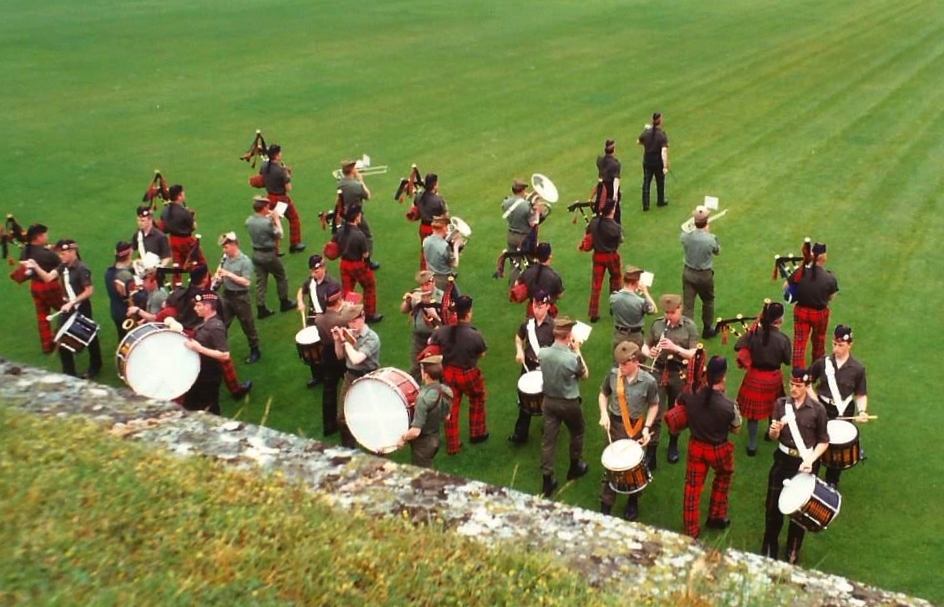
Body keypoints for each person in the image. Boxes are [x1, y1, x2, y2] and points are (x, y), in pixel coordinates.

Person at [761, 367, 829, 565]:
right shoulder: (781, 405)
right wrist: (774, 431)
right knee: (773, 507)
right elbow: (774, 437)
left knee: (800, 511)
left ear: (808, 386)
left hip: (805, 463)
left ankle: (793, 547)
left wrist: (810, 460)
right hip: (782, 459)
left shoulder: (818, 410)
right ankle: (769, 545)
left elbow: (824, 441)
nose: (793, 388)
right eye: (792, 384)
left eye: (798, 386)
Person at [157, 264, 252, 400]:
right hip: (200, 335)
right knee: (224, 360)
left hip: (179, 335)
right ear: (205, 278)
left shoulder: (179, 292)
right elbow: (219, 318)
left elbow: (165, 306)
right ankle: (236, 389)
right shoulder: (210, 299)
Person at [679, 356, 742, 539]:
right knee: (724, 476)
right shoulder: (729, 406)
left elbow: (678, 405)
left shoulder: (690, 396)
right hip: (718, 450)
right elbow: (737, 428)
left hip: (696, 447)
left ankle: (691, 531)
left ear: (706, 375)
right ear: (723, 377)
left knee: (692, 488)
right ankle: (715, 516)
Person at [598, 341, 659, 520]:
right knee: (612, 467)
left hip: (637, 428)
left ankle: (633, 501)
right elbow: (603, 394)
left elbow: (654, 405)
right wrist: (604, 413)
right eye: (619, 363)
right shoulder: (613, 375)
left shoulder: (649, 381)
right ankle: (606, 506)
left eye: (624, 364)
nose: (620, 367)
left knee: (635, 468)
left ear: (635, 361)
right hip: (615, 426)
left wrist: (647, 428)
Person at [25, 239, 103, 379]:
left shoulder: (81, 268)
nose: (60, 256)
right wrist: (36, 266)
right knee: (61, 338)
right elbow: (48, 278)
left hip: (81, 307)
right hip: (68, 308)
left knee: (89, 336)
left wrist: (73, 302)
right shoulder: (63, 266)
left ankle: (95, 365)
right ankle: (69, 373)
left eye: (63, 253)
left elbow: (89, 291)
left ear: (73, 252)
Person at [641, 294, 699, 468]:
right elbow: (645, 344)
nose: (669, 316)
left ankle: (673, 443)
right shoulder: (658, 324)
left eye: (672, 312)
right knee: (655, 410)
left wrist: (675, 348)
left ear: (680, 309)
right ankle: (651, 451)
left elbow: (694, 353)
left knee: (676, 411)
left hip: (678, 373)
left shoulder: (689, 327)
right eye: (666, 313)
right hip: (658, 370)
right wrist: (648, 352)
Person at [808, 324, 869, 488]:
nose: (836, 349)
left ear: (850, 344)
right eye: (834, 344)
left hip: (844, 410)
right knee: (816, 442)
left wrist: (862, 411)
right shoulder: (822, 363)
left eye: (840, 345)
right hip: (822, 407)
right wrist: (815, 402)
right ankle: (810, 475)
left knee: (838, 446)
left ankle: (832, 481)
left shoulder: (858, 369)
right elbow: (806, 383)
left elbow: (861, 394)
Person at [430, 295, 488, 455]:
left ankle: (452, 445)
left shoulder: (442, 331)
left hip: (449, 373)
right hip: (468, 374)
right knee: (477, 398)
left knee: (451, 408)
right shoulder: (474, 335)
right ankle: (477, 433)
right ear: (468, 313)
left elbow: (433, 344)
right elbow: (482, 353)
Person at [539, 316, 590, 497]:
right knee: (577, 432)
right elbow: (584, 375)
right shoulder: (571, 359)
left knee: (549, 440)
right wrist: (577, 351)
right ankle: (574, 467)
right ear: (569, 336)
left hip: (548, 401)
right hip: (569, 403)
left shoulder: (542, 353)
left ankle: (547, 480)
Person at [734, 301, 792, 457]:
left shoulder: (753, 334)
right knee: (773, 407)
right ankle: (769, 432)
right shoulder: (783, 339)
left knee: (753, 414)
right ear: (780, 319)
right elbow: (787, 360)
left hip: (754, 376)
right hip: (773, 377)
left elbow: (738, 346)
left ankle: (751, 445)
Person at [508, 290, 556, 444]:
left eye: (540, 306)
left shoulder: (554, 326)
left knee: (550, 399)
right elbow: (518, 337)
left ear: (548, 306)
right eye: (535, 305)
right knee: (524, 399)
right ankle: (520, 434)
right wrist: (520, 351)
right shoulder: (527, 324)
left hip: (547, 366)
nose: (536, 309)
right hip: (529, 363)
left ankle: (549, 428)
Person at [334, 304, 381, 447]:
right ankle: (348, 449)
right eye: (349, 321)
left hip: (369, 378)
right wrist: (337, 340)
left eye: (354, 320)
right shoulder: (350, 333)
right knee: (342, 417)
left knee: (372, 416)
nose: (351, 324)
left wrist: (345, 341)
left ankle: (376, 447)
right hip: (351, 377)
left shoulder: (372, 338)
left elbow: (356, 359)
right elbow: (340, 356)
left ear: (363, 317)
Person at [788, 242, 839, 368]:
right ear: (824, 257)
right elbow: (831, 297)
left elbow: (787, 288)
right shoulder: (829, 278)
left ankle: (798, 375)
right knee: (819, 341)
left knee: (799, 343)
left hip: (801, 311)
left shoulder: (801, 272)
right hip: (820, 314)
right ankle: (817, 368)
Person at [398, 353, 453, 468]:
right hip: (435, 438)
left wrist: (402, 438)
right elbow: (447, 417)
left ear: (426, 375)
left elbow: (416, 431)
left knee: (422, 475)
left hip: (423, 444)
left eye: (422, 370)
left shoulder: (422, 398)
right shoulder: (447, 391)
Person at [246, 195, 295, 319]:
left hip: (256, 254)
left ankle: (261, 308)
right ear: (264, 207)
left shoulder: (249, 221)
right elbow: (279, 234)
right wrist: (276, 220)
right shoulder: (267, 223)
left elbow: (260, 225)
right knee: (281, 276)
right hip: (268, 254)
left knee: (261, 281)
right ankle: (284, 302)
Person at [17, 224, 64, 353]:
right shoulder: (47, 254)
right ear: (38, 237)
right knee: (65, 309)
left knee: (43, 315)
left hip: (35, 286)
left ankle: (47, 345)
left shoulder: (26, 250)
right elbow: (61, 262)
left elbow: (22, 262)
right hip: (50, 286)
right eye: (45, 235)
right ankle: (65, 337)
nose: (47, 236)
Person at [216, 233, 261, 364]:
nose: (224, 250)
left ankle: (255, 350)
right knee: (222, 324)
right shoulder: (225, 259)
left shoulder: (244, 261)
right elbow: (220, 273)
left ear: (234, 245)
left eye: (226, 247)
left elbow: (246, 282)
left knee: (247, 324)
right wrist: (218, 278)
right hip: (227, 296)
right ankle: (220, 350)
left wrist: (229, 275)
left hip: (240, 297)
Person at [182, 290, 230, 415]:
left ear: (208, 307)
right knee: (190, 406)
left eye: (198, 305)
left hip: (209, 376)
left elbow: (225, 355)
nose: (195, 308)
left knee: (210, 410)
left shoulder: (216, 327)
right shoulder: (206, 323)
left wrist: (199, 349)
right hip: (201, 372)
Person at [336, 205, 382, 323]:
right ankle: (370, 314)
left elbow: (333, 245)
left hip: (344, 263)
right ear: (357, 217)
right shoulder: (359, 235)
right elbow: (366, 255)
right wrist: (366, 266)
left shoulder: (341, 230)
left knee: (347, 290)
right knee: (369, 286)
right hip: (357, 264)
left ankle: (345, 314)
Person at [681, 205, 720, 339]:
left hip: (688, 272)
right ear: (707, 222)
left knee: (688, 306)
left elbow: (686, 232)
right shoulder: (710, 239)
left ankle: (687, 334)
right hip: (704, 275)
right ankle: (707, 329)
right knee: (708, 300)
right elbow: (717, 251)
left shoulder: (685, 236)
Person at [313, 283, 347, 436]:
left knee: (329, 390)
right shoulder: (342, 319)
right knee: (351, 386)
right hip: (342, 356)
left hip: (327, 355)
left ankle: (329, 425)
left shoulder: (318, 319)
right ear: (339, 299)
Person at [260, 144, 305, 253]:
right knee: (293, 219)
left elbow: (262, 178)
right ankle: (295, 243)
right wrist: (287, 174)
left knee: (272, 224)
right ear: (277, 155)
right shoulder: (281, 171)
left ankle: (273, 249)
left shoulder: (264, 166)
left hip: (269, 198)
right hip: (281, 200)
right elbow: (288, 188)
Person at [400, 270, 443, 383]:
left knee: (437, 368)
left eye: (427, 284)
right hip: (418, 338)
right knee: (415, 368)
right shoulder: (416, 294)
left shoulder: (442, 297)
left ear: (433, 282)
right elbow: (403, 310)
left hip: (436, 339)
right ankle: (414, 395)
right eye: (422, 285)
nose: (424, 288)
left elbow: (446, 319)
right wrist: (408, 301)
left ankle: (440, 393)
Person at [159, 184, 205, 285]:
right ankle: (202, 284)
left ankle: (176, 289)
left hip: (172, 240)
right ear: (179, 196)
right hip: (186, 240)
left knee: (177, 267)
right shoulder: (184, 212)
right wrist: (192, 216)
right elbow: (193, 227)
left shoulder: (165, 210)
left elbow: (164, 226)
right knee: (199, 262)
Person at [586, 200, 623, 322]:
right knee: (616, 280)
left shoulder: (594, 222)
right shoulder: (616, 227)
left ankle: (593, 313)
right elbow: (619, 241)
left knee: (596, 285)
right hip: (611, 256)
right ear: (612, 210)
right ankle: (615, 306)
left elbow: (588, 233)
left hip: (598, 256)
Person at [337, 159, 377, 268]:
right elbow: (368, 196)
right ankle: (367, 261)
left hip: (344, 214)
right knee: (367, 236)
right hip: (356, 215)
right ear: (352, 170)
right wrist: (361, 181)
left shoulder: (341, 183)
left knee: (348, 237)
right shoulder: (356, 186)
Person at [610, 265, 657, 352]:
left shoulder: (613, 297)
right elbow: (654, 309)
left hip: (619, 335)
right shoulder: (640, 302)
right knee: (637, 362)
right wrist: (645, 292)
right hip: (635, 337)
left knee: (619, 362)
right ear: (636, 283)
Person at [515, 242, 563, 318]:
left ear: (537, 257)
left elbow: (516, 284)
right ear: (550, 256)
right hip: (547, 311)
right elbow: (560, 295)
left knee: (531, 328)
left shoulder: (528, 271)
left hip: (532, 309)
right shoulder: (554, 276)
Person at [414, 173, 448, 269]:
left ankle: (424, 272)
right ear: (434, 185)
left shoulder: (419, 196)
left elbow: (415, 208)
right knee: (438, 251)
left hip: (423, 228)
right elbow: (445, 217)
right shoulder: (438, 200)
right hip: (435, 229)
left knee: (424, 250)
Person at [103, 241, 136, 340]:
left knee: (122, 338)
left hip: (115, 311)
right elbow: (133, 297)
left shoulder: (108, 272)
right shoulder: (126, 276)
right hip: (127, 313)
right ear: (129, 253)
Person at [637, 112, 669, 211]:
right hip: (658, 161)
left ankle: (645, 204)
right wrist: (665, 165)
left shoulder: (647, 132)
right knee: (660, 181)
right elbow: (663, 151)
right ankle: (660, 200)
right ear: (660, 121)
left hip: (647, 160)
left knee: (646, 182)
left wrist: (647, 144)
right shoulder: (662, 135)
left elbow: (638, 141)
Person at [422, 215, 460, 293]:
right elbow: (455, 264)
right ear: (444, 228)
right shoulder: (444, 246)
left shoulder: (426, 241)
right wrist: (456, 247)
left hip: (431, 277)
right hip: (444, 280)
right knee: (457, 302)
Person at [596, 139, 622, 223]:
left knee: (601, 208)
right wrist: (615, 194)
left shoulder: (599, 160)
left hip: (602, 188)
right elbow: (616, 180)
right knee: (615, 210)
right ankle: (616, 230)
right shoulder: (615, 164)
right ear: (613, 150)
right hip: (610, 188)